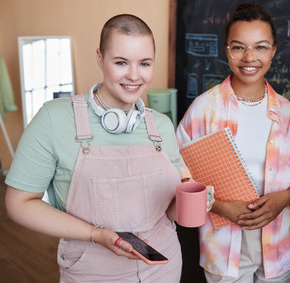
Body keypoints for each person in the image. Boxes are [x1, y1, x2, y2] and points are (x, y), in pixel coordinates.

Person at [5, 14, 183, 282]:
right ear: (100, 58)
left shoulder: (161, 125)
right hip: (92, 270)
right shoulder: (54, 118)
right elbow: (19, 204)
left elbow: (169, 211)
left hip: (163, 266)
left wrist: (193, 202)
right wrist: (95, 234)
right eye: (121, 62)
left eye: (144, 63)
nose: (134, 75)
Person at [176, 2, 290, 282]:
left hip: (280, 241)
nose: (250, 57)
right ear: (227, 50)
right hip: (224, 245)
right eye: (238, 47)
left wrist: (282, 199)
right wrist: (220, 206)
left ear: (273, 50)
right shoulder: (203, 110)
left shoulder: (288, 114)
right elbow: (178, 175)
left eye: (260, 47)